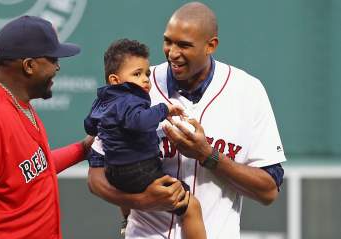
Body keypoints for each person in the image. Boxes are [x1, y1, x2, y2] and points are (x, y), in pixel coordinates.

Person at [87, 2, 286, 239]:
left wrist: (207, 155)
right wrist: (140, 201)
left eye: (184, 45)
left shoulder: (248, 91)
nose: (172, 52)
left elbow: (268, 191)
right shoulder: (137, 84)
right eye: (168, 41)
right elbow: (96, 175)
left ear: (211, 45)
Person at [0, 16, 93, 239]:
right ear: (29, 65)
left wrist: (82, 149)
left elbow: (28, 172)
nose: (58, 66)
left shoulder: (17, 103)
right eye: (52, 59)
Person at [84, 39, 206, 239]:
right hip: (139, 169)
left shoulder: (103, 101)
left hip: (115, 172)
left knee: (124, 185)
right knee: (192, 207)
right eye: (137, 74)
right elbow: (139, 121)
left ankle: (126, 221)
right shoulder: (130, 98)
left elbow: (90, 124)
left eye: (147, 74)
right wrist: (163, 109)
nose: (145, 79)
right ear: (115, 80)